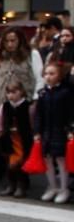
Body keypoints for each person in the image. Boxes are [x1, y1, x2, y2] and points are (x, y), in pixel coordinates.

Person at [34, 62, 73, 203]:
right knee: (47, 159)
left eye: (52, 74)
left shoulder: (65, 93)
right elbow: (38, 114)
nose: (48, 77)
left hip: (60, 130)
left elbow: (70, 113)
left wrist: (70, 129)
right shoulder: (43, 93)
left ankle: (64, 188)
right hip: (46, 131)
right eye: (46, 74)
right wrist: (37, 131)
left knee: (61, 160)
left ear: (60, 76)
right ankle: (52, 186)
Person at [0, 80, 34, 198]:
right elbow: (0, 119)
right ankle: (11, 184)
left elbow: (32, 121)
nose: (11, 95)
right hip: (8, 138)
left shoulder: (27, 106)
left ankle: (21, 186)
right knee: (9, 162)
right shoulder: (5, 106)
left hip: (23, 138)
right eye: (8, 93)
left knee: (21, 162)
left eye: (14, 92)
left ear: (21, 92)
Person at [0, 27, 42, 108]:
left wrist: (36, 98)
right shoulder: (0, 54)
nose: (10, 44)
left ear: (20, 40)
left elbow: (39, 77)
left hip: (26, 100)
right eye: (6, 41)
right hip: (2, 100)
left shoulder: (32, 54)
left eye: (13, 41)